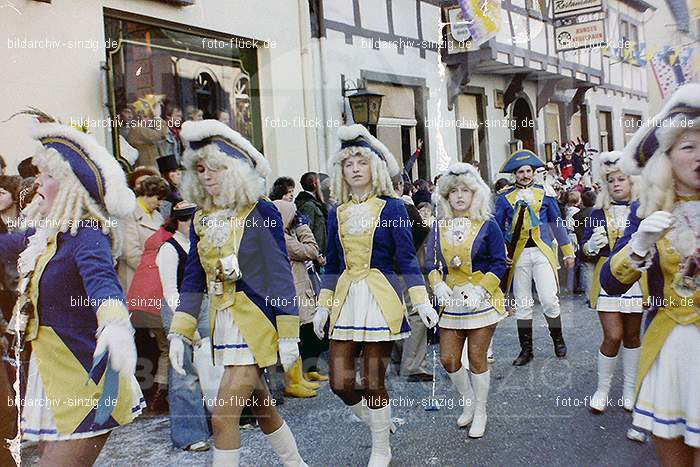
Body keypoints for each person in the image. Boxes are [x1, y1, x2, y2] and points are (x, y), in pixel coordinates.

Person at [0, 116, 143, 464]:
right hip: (54, 376)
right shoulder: (49, 235)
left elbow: (103, 283)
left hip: (86, 377)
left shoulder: (86, 234)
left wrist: (114, 324)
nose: (38, 185)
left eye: (48, 177)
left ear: (70, 186)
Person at [167, 120, 307, 466]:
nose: (206, 176)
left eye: (214, 167)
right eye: (199, 169)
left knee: (222, 415)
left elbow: (279, 276)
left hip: (256, 323)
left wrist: (289, 334)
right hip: (222, 323)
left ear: (235, 170)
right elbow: (193, 278)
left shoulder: (260, 210)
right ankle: (296, 463)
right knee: (261, 405)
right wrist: (179, 331)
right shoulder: (201, 218)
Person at [313, 124, 438, 467]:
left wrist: (422, 300)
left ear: (375, 168)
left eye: (361, 162)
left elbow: (406, 258)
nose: (354, 168)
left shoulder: (394, 207)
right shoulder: (335, 211)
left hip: (382, 298)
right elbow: (333, 265)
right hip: (345, 299)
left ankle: (380, 448)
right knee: (339, 381)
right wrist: (323, 307)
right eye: (348, 163)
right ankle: (378, 425)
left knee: (373, 379)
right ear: (340, 170)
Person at [601, 83, 699, 465]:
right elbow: (611, 281)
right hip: (670, 349)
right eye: (688, 147)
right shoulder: (651, 210)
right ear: (668, 157)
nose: (698, 156)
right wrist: (640, 244)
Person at [426, 163, 507, 437]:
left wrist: (482, 289)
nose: (459, 196)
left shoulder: (488, 223)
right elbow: (432, 262)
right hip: (452, 301)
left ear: (475, 194)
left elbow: (499, 263)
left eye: (465, 191)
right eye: (454, 192)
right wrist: (436, 285)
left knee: (476, 357)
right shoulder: (439, 226)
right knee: (449, 359)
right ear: (446, 196)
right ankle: (468, 400)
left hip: (481, 300)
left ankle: (481, 411)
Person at [582, 151, 646, 443]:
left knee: (633, 336)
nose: (616, 184)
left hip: (635, 278)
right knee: (613, 335)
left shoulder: (643, 210)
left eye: (621, 179)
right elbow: (585, 247)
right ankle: (603, 389)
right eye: (611, 180)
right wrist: (591, 247)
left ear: (633, 182)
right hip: (606, 278)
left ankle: (630, 390)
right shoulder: (597, 214)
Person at [494, 150, 575, 366]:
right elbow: (497, 228)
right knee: (523, 303)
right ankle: (526, 350)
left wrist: (568, 251)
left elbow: (557, 223)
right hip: (518, 255)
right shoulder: (504, 198)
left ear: (533, 172)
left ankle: (558, 340)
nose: (525, 175)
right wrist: (502, 252)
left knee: (549, 299)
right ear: (514, 174)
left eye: (528, 171)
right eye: (521, 172)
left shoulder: (545, 192)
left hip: (542, 251)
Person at [156, 201, 212, 451]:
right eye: (185, 218)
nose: (191, 223)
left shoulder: (201, 244)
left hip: (205, 303)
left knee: (210, 366)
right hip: (179, 307)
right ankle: (189, 434)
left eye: (193, 217)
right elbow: (170, 292)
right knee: (184, 372)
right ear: (176, 221)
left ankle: (216, 423)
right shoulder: (169, 249)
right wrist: (188, 325)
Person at [120, 175, 169, 411]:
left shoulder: (155, 216)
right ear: (147, 195)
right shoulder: (130, 215)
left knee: (158, 341)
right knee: (139, 342)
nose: (160, 204)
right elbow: (130, 252)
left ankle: (156, 394)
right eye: (158, 199)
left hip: (154, 286)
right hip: (137, 286)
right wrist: (158, 264)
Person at [273, 199, 324, 397]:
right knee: (294, 334)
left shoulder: (286, 234)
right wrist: (303, 227)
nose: (295, 218)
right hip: (293, 290)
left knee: (299, 333)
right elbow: (311, 250)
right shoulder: (284, 238)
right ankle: (292, 382)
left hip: (298, 287)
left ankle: (298, 378)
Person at [391, 174, 432, 382]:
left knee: (394, 312)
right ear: (399, 186)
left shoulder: (370, 208)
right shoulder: (403, 207)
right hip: (404, 268)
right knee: (415, 313)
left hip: (382, 271)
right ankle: (413, 365)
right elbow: (423, 231)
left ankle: (398, 357)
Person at [127, 95, 169, 169]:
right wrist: (157, 117)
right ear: (140, 117)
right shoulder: (137, 129)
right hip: (146, 169)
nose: (150, 120)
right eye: (147, 117)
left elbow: (163, 134)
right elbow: (159, 135)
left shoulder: (140, 128)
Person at [295, 172, 328, 261]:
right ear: (314, 184)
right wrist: (317, 254)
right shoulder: (308, 205)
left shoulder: (314, 202)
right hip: (316, 256)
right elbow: (307, 231)